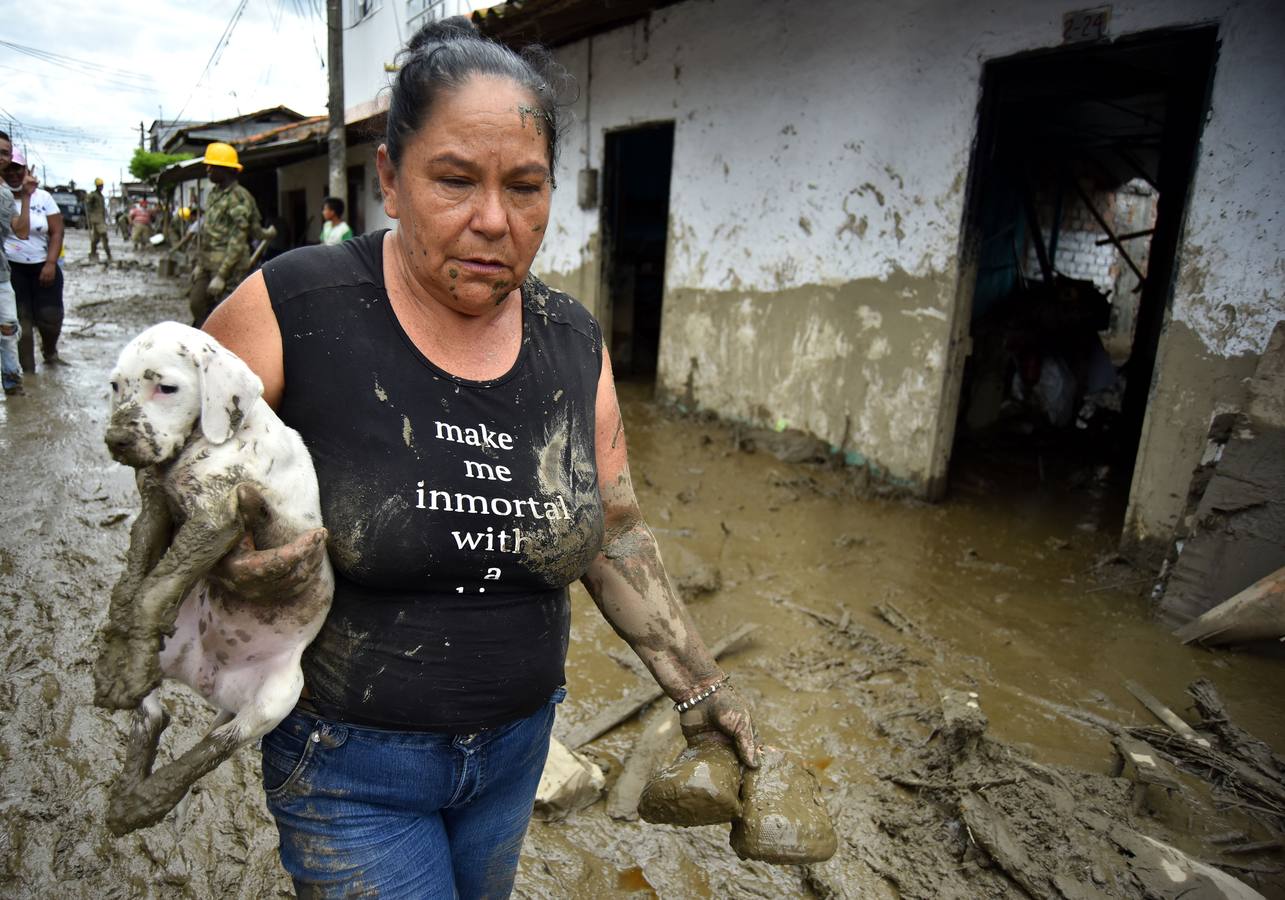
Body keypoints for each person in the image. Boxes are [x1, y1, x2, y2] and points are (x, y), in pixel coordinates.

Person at [205, 17, 758, 898]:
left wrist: (700, 691)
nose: (493, 221)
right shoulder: (291, 310)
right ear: (389, 176)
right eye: (454, 180)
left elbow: (613, 533)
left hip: (514, 754)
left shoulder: (573, 340)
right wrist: (232, 559)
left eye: (526, 187)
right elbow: (169, 485)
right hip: (349, 765)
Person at [3, 147, 66, 373]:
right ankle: (27, 376)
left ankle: (50, 352)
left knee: (51, 318)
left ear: (26, 169)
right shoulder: (3, 197)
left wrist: (50, 263)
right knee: (23, 326)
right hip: (12, 269)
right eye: (7, 169)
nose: (12, 174)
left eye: (17, 169)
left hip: (43, 265)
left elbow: (57, 232)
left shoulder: (44, 198)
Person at [190, 142, 262, 326]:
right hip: (208, 261)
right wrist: (200, 264)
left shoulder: (239, 197)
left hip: (230, 265)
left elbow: (239, 238)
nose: (207, 170)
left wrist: (222, 275)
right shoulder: (214, 193)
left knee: (228, 314)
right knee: (197, 304)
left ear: (225, 169)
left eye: (211, 166)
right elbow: (207, 232)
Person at [0, 131, 36, 396]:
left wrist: (25, 196)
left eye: (5, 153)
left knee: (9, 330)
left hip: (1, 274)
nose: (2, 158)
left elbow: (21, 232)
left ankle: (13, 387)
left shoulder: (5, 194)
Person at [85, 177, 111, 262]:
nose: (101, 187)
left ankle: (93, 253)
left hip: (100, 219)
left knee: (96, 239)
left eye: (102, 186)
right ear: (96, 186)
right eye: (99, 186)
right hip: (96, 219)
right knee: (104, 235)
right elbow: (88, 204)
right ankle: (109, 255)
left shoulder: (101, 196)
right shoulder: (94, 195)